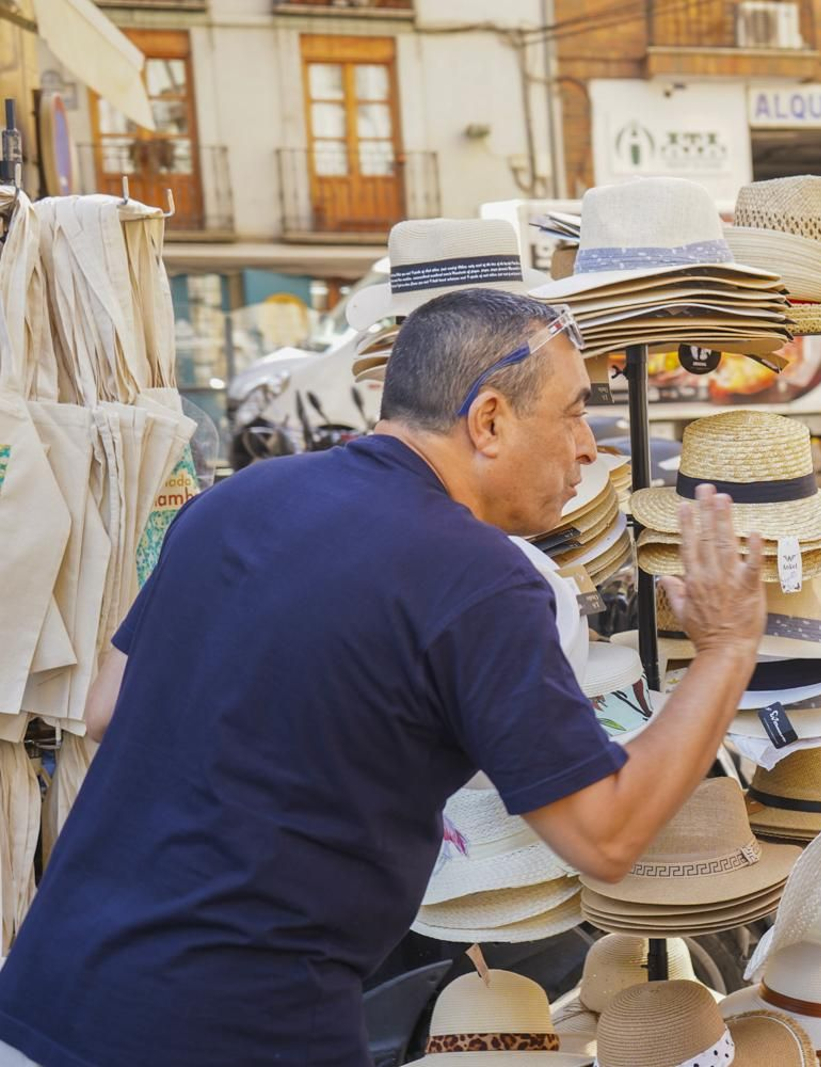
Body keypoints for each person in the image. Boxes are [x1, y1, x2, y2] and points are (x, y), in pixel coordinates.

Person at [0, 289, 768, 1066]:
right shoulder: (480, 578)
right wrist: (727, 650)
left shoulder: (238, 498)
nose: (585, 448)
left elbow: (105, 707)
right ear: (490, 419)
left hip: (49, 992)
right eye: (572, 414)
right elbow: (604, 834)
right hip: (235, 1024)